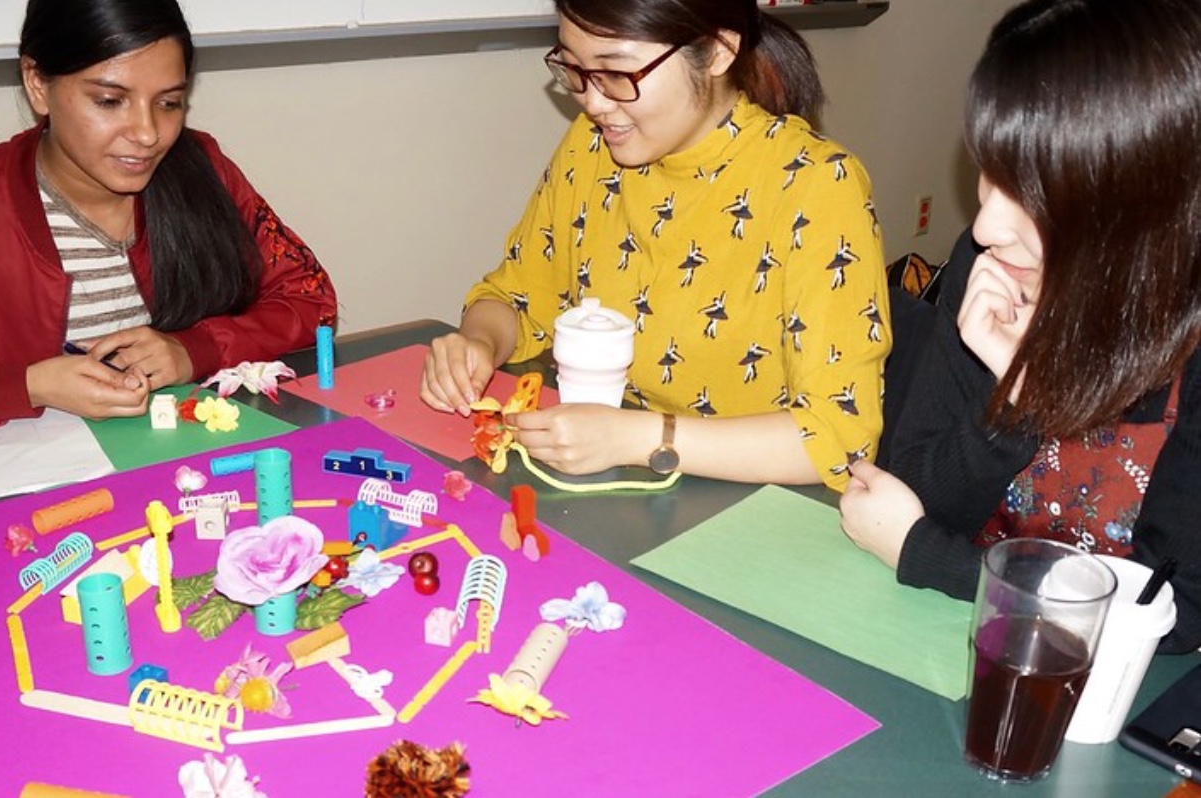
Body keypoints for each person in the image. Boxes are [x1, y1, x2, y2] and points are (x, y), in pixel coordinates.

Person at [840, 0, 1201, 653]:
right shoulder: (991, 266)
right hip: (942, 651)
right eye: (990, 170)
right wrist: (1015, 404)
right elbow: (913, 487)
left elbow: (1171, 611)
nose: (984, 227)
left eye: (1034, 195)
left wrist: (932, 559)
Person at [420, 0, 888, 489]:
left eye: (618, 74)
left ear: (718, 52)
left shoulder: (817, 185)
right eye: (573, 68)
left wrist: (634, 440)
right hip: (616, 486)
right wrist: (478, 342)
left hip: (743, 505)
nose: (593, 102)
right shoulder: (592, 145)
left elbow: (837, 440)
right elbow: (516, 295)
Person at [0, 0, 337, 436]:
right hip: (21, 495)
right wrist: (24, 386)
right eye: (109, 101)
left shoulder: (202, 168)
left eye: (169, 103)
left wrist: (194, 350)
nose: (147, 133)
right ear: (38, 84)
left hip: (185, 465)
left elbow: (310, 299)